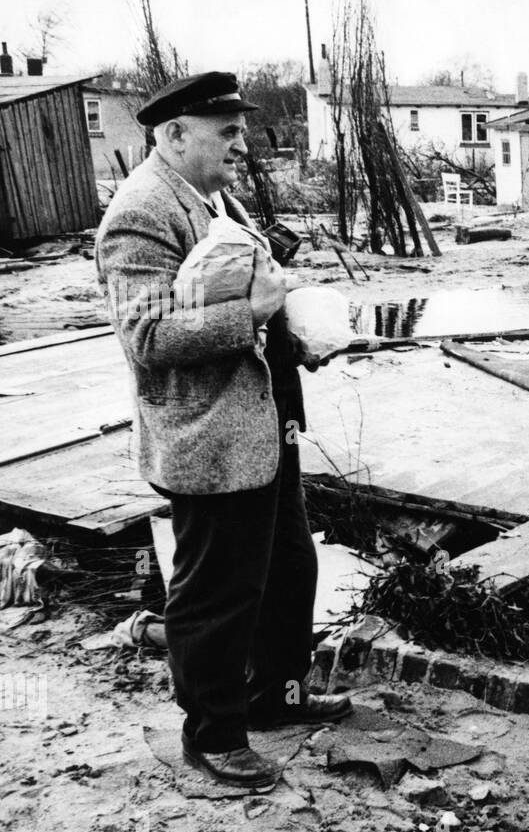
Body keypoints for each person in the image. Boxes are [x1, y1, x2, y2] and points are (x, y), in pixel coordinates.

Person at [96, 72, 351, 788]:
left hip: (264, 424)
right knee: (217, 591)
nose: (242, 144)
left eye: (240, 130)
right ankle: (212, 735)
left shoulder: (214, 199)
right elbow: (145, 338)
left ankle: (272, 695)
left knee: (288, 567)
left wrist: (297, 333)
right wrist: (256, 314)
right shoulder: (140, 213)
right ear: (174, 134)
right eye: (225, 132)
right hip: (208, 437)